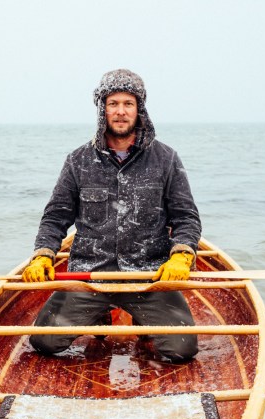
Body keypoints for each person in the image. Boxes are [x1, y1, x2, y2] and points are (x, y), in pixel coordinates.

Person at [22, 69, 202, 363]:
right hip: (91, 275)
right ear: (102, 109)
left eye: (128, 104)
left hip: (148, 276)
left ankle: (141, 319)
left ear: (139, 109)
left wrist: (181, 255)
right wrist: (42, 254)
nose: (120, 112)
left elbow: (186, 217)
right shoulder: (78, 160)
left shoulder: (166, 158)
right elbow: (55, 217)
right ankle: (100, 314)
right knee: (44, 342)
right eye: (113, 103)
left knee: (182, 350)